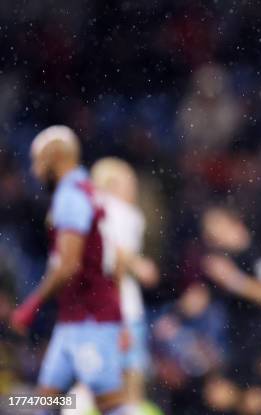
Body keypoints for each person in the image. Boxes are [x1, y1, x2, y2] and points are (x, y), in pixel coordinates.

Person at [10, 126, 130, 415]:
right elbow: (112, 259)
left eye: (38, 160)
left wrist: (31, 305)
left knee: (111, 405)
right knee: (44, 401)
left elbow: (68, 266)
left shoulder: (70, 197)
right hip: (76, 318)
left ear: (56, 158)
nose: (35, 169)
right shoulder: (86, 190)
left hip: (90, 321)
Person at [91, 157, 159, 411]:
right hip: (122, 310)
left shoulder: (91, 211)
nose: (134, 188)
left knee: (99, 381)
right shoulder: (124, 212)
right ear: (112, 185)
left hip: (93, 309)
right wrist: (139, 266)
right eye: (129, 182)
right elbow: (117, 257)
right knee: (132, 380)